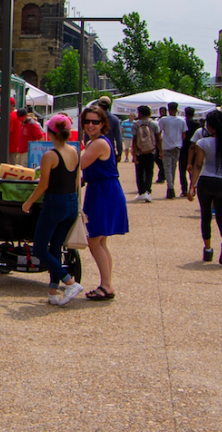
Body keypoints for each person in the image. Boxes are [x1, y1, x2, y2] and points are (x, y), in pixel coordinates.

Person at [21, 114, 85, 306]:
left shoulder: (50, 155)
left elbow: (43, 185)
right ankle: (52, 292)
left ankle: (69, 282)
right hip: (71, 202)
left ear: (50, 133)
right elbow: (77, 179)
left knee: (40, 248)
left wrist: (28, 202)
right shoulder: (74, 151)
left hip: (54, 203)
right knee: (55, 246)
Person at [79, 106, 129, 300]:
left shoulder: (98, 144)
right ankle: (107, 283)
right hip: (102, 190)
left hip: (103, 192)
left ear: (103, 124)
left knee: (94, 240)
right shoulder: (97, 142)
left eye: (95, 122)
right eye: (87, 121)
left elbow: (78, 165)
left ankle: (106, 285)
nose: (91, 125)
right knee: (100, 241)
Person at [188, 110, 222, 264]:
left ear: (210, 126)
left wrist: (192, 186)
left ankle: (207, 249)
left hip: (206, 181)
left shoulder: (203, 143)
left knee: (206, 216)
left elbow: (198, 165)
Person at [132, 105, 161, 202]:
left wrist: (134, 153)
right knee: (149, 172)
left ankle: (141, 192)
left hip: (139, 152)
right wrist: (160, 151)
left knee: (139, 172)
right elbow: (158, 138)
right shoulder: (154, 124)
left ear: (139, 113)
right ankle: (148, 191)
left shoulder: (135, 125)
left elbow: (134, 140)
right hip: (151, 151)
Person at [158, 102, 187, 198]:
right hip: (177, 146)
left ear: (168, 110)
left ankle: (170, 187)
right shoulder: (181, 120)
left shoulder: (164, 120)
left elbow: (159, 132)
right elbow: (184, 135)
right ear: (177, 110)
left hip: (166, 146)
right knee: (173, 167)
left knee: (167, 167)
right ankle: (171, 186)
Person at [179, 107, 201, 197]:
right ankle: (192, 187)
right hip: (194, 148)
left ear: (185, 113)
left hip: (183, 147)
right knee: (193, 168)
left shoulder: (183, 123)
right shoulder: (197, 124)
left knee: (182, 170)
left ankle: (184, 189)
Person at [97, 96, 122, 163]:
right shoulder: (114, 119)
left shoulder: (94, 118)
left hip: (95, 150)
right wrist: (119, 153)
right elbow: (118, 138)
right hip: (110, 150)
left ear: (99, 105)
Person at [154, 106, 168, 183]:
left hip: (165, 141)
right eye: (161, 111)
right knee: (157, 158)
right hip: (158, 140)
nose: (162, 112)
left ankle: (162, 175)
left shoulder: (167, 120)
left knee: (162, 159)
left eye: (163, 111)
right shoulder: (157, 120)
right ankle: (163, 172)